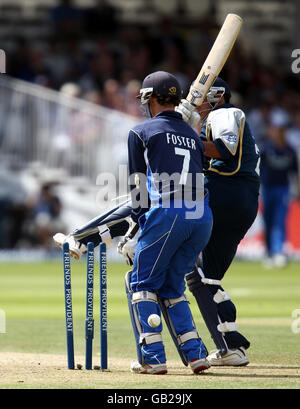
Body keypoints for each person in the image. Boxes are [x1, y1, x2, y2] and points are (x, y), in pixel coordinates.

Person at [54, 71, 213, 375]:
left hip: (169, 212)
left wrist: (136, 231)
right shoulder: (193, 134)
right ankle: (195, 354)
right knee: (172, 285)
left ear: (150, 98)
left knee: (140, 283)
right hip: (201, 217)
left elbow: (139, 191)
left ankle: (152, 358)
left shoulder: (141, 132)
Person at [175, 77, 260, 366]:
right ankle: (231, 346)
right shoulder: (222, 116)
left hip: (227, 194)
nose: (194, 103)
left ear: (217, 95)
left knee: (195, 270)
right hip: (239, 199)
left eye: (198, 97)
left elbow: (224, 150)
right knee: (206, 276)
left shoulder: (226, 113)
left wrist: (187, 135)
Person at [260, 115, 300, 268]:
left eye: (282, 130)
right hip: (267, 190)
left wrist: (297, 190)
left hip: (283, 190)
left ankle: (278, 252)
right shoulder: (266, 148)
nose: (279, 133)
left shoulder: (290, 150)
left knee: (279, 221)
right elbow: (258, 169)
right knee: (268, 222)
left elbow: (294, 173)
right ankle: (269, 253)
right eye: (277, 129)